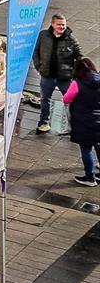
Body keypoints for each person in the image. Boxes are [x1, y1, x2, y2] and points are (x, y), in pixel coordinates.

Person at [35, 14, 82, 134]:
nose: (62, 27)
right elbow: (36, 51)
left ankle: (74, 126)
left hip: (65, 78)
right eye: (59, 24)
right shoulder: (43, 35)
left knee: (70, 102)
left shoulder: (71, 40)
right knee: (45, 99)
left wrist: (75, 74)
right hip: (47, 76)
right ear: (52, 24)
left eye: (64, 25)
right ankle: (44, 123)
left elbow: (80, 57)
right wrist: (39, 67)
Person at [63, 57, 100, 187]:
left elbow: (67, 98)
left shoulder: (77, 83)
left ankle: (90, 177)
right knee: (98, 146)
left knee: (86, 149)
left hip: (84, 121)